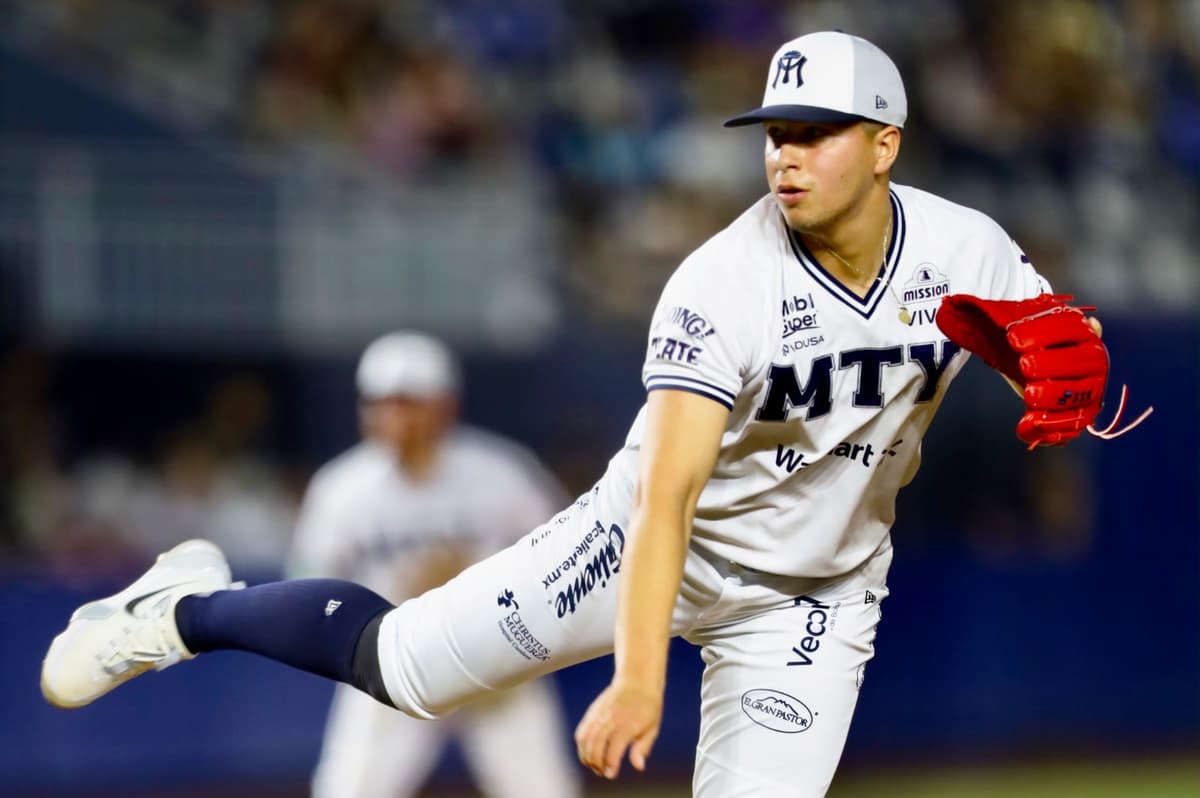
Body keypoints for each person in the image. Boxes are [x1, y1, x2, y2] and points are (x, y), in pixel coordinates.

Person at [40, 32, 1118, 796]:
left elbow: (1053, 361)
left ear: (885, 144)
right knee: (400, 667)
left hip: (816, 593)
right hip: (649, 544)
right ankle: (187, 612)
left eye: (818, 132)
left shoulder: (964, 247)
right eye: (776, 131)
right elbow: (667, 502)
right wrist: (638, 678)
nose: (786, 155)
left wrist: (1056, 389)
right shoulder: (721, 284)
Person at [288, 332, 582, 798]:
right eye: (380, 403)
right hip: (394, 660)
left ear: (446, 405)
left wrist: (479, 582)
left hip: (495, 653)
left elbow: (570, 556)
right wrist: (378, 609)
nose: (392, 416)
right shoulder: (342, 488)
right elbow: (306, 587)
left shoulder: (502, 473)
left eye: (407, 402)